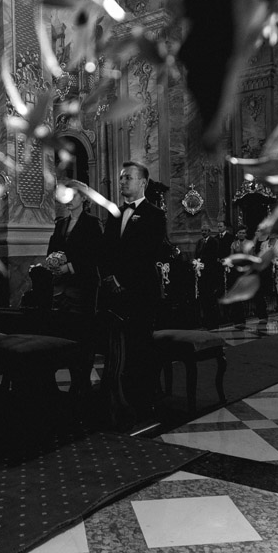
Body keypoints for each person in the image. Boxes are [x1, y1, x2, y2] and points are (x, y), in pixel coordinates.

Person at [100, 161, 167, 410]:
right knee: (117, 346)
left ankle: (143, 400)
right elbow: (105, 251)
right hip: (114, 292)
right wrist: (109, 277)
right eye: (121, 178)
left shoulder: (155, 215)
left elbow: (148, 253)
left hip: (141, 291)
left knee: (140, 345)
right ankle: (117, 396)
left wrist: (122, 280)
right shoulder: (114, 213)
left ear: (143, 183)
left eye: (128, 177)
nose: (122, 182)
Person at [46, 180, 103, 314]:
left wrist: (69, 267)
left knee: (80, 323)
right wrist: (53, 263)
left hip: (83, 283)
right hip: (60, 285)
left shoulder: (92, 223)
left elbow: (95, 254)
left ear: (84, 198)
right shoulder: (61, 223)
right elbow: (52, 249)